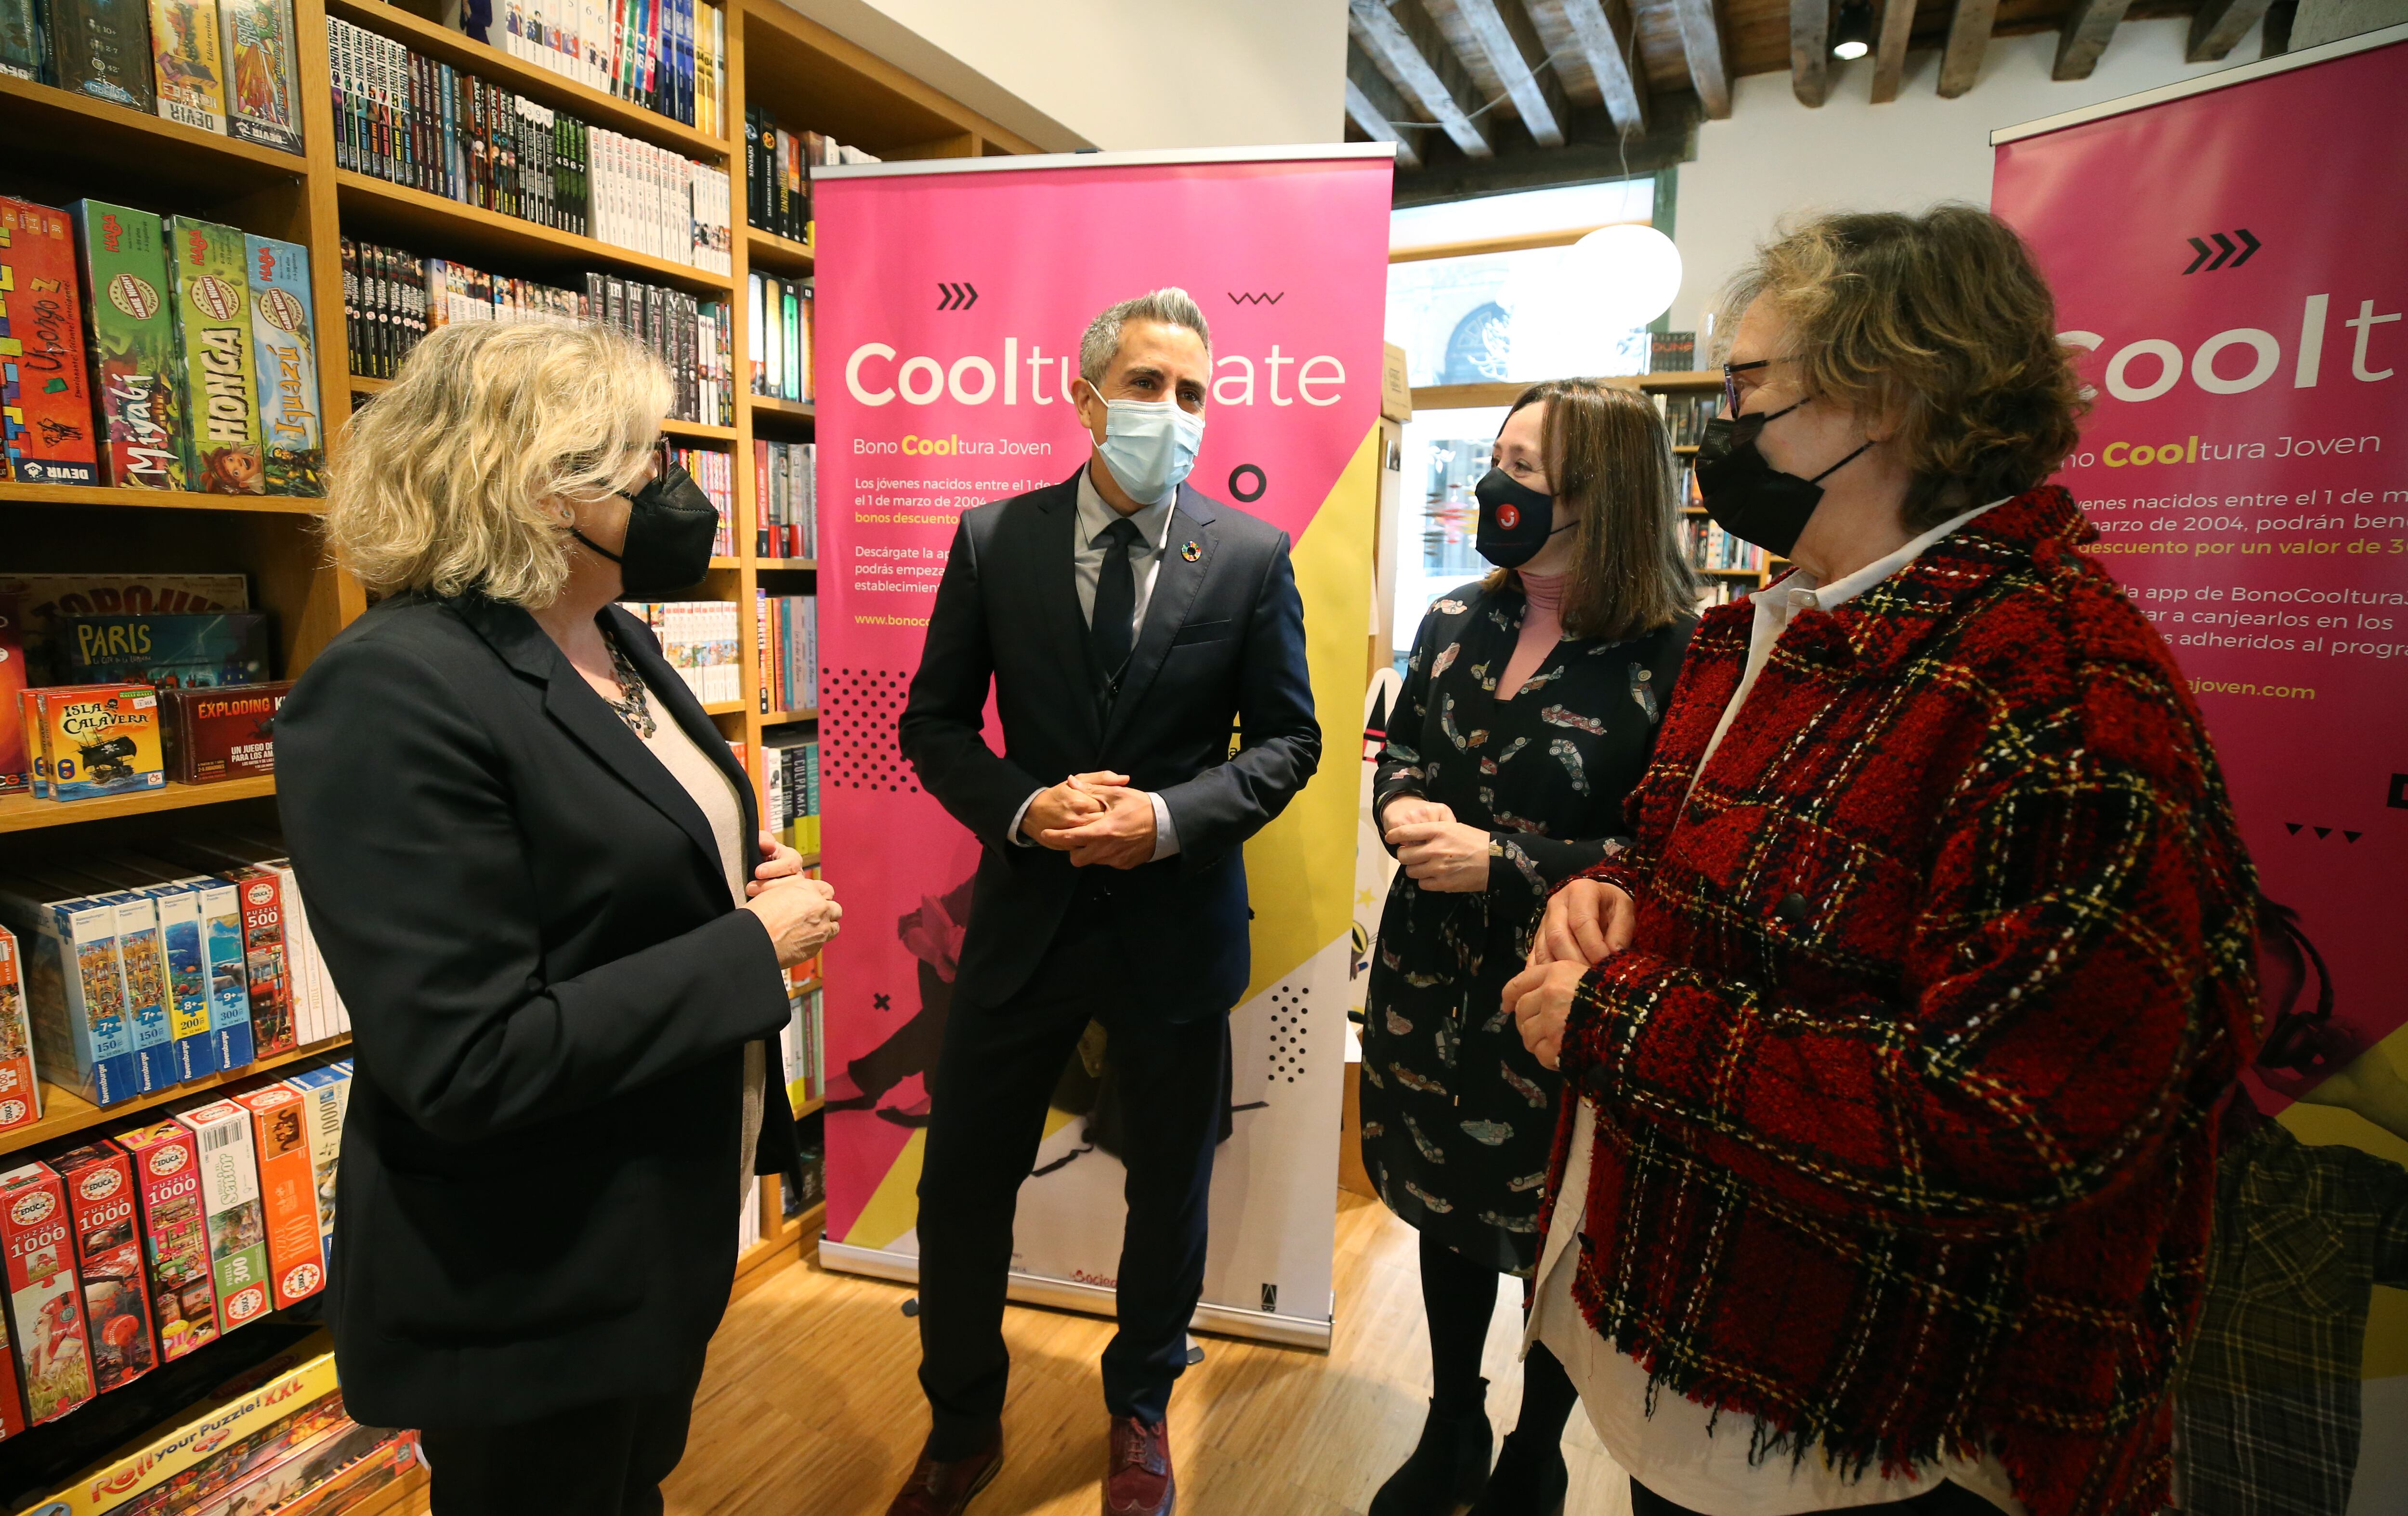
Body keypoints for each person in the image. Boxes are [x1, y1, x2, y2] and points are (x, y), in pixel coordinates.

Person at [1502, 206, 2258, 1516]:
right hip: (1688, 1345)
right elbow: (1692, 862)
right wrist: (1607, 889)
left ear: (1890, 393)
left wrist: (1614, 1019)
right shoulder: (1774, 627)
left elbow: (2002, 1116)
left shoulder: (2058, 695)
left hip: (1863, 1429)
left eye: (1747, 387)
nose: (1718, 428)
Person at [275, 319, 843, 1516]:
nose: (674, 491)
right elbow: (466, 1054)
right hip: (529, 1271)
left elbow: (606, 862)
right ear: (539, 487)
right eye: (643, 459)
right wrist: (749, 947)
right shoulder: (392, 687)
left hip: (653, 1222)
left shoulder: (609, 631)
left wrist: (726, 867)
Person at [891, 287, 1321, 1516]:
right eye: (1146, 385)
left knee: (1166, 1185)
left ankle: (1140, 1409)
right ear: (1085, 397)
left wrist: (1168, 817)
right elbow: (932, 722)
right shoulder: (991, 540)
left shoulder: (1249, 556)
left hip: (1175, 927)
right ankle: (962, 1421)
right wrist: (1025, 808)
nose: (1171, 413)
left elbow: (1287, 741)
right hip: (1022, 926)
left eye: (1192, 392)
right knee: (960, 1183)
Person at [1361, 379, 1696, 1516]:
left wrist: (1505, 860)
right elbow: (1401, 749)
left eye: (1528, 467)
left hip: (1557, 1001)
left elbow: (1672, 851)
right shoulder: (1457, 617)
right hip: (1424, 980)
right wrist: (1402, 813)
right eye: (1498, 455)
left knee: (1551, 1227)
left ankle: (1532, 1448)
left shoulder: (1679, 656)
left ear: (1604, 497)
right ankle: (1450, 1418)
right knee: (1444, 1210)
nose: (1494, 485)